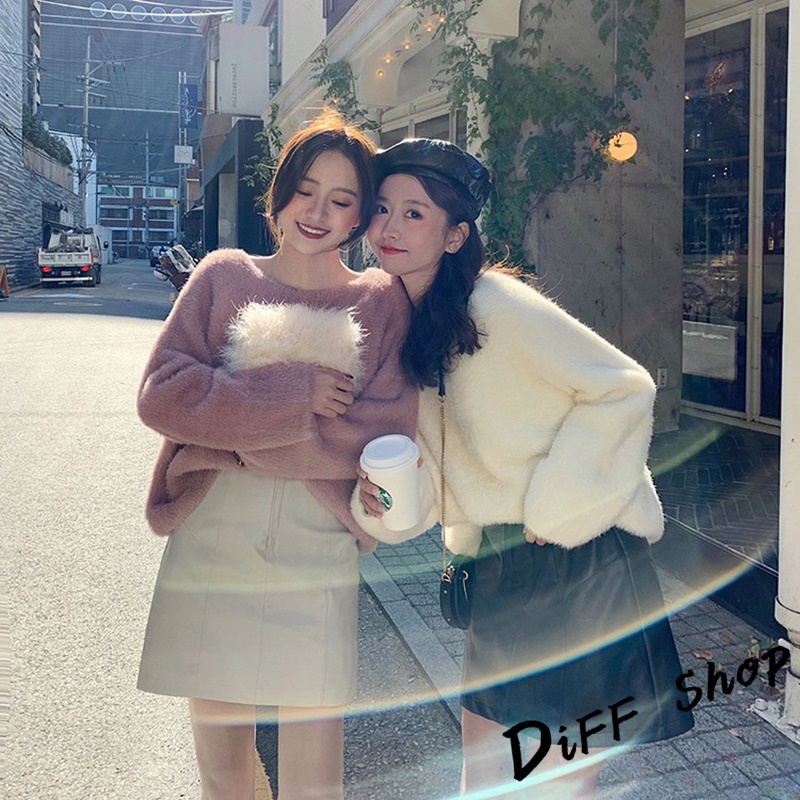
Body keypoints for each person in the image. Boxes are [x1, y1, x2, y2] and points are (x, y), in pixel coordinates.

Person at [354, 138, 694, 798]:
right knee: (483, 772)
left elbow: (624, 387)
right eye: (383, 209)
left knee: (556, 781)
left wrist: (556, 506)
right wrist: (391, 501)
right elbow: (448, 459)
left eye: (415, 214)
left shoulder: (498, 305)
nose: (390, 227)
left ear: (455, 235)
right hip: (500, 569)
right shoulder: (408, 320)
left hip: (579, 562)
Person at [136, 111, 417, 800]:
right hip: (215, 537)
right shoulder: (223, 277)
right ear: (280, 194)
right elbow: (161, 395)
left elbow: (381, 431)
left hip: (317, 545)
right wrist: (294, 397)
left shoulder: (380, 302)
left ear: (359, 215)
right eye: (305, 191)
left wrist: (231, 436)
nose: (317, 213)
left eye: (341, 200)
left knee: (315, 783)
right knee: (223, 773)